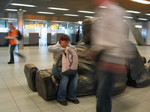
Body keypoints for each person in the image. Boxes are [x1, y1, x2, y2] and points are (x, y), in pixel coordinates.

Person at [88, 0, 136, 112]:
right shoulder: (101, 11)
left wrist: (119, 59)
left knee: (103, 94)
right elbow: (102, 35)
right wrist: (95, 50)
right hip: (102, 57)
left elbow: (120, 38)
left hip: (110, 58)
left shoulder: (116, 12)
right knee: (101, 94)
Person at [48, 34, 79, 106]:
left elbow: (75, 49)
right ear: (61, 41)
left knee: (75, 76)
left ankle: (72, 96)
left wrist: (69, 48)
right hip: (57, 68)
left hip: (68, 67)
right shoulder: (56, 47)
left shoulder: (68, 46)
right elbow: (49, 48)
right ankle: (61, 98)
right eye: (65, 42)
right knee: (65, 78)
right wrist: (63, 49)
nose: (67, 44)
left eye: (68, 42)